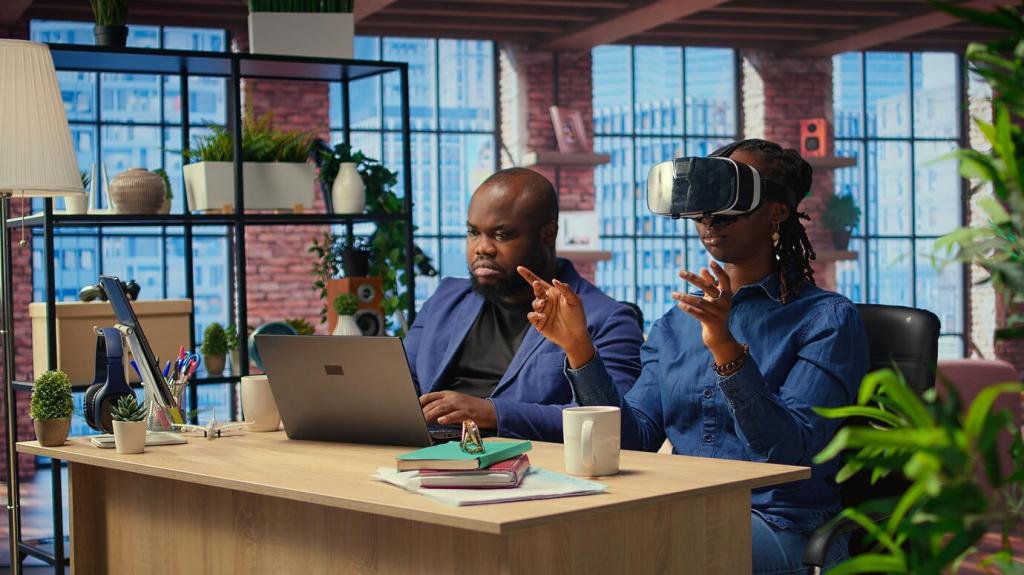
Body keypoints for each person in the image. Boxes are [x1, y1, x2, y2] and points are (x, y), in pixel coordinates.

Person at [518, 139, 869, 573]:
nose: (709, 219)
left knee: (636, 555)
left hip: (783, 523)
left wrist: (725, 349)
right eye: (703, 204)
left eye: (728, 202)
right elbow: (634, 440)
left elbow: (787, 452)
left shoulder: (826, 319)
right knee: (553, 542)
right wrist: (579, 348)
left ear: (777, 211)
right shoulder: (674, 325)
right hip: (685, 509)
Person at [403, 167, 643, 442]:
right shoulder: (446, 298)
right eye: (473, 232)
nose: (482, 248)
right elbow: (401, 385)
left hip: (523, 460)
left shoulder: (609, 319)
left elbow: (614, 426)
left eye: (501, 235)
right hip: (423, 452)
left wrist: (492, 413)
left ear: (548, 234)